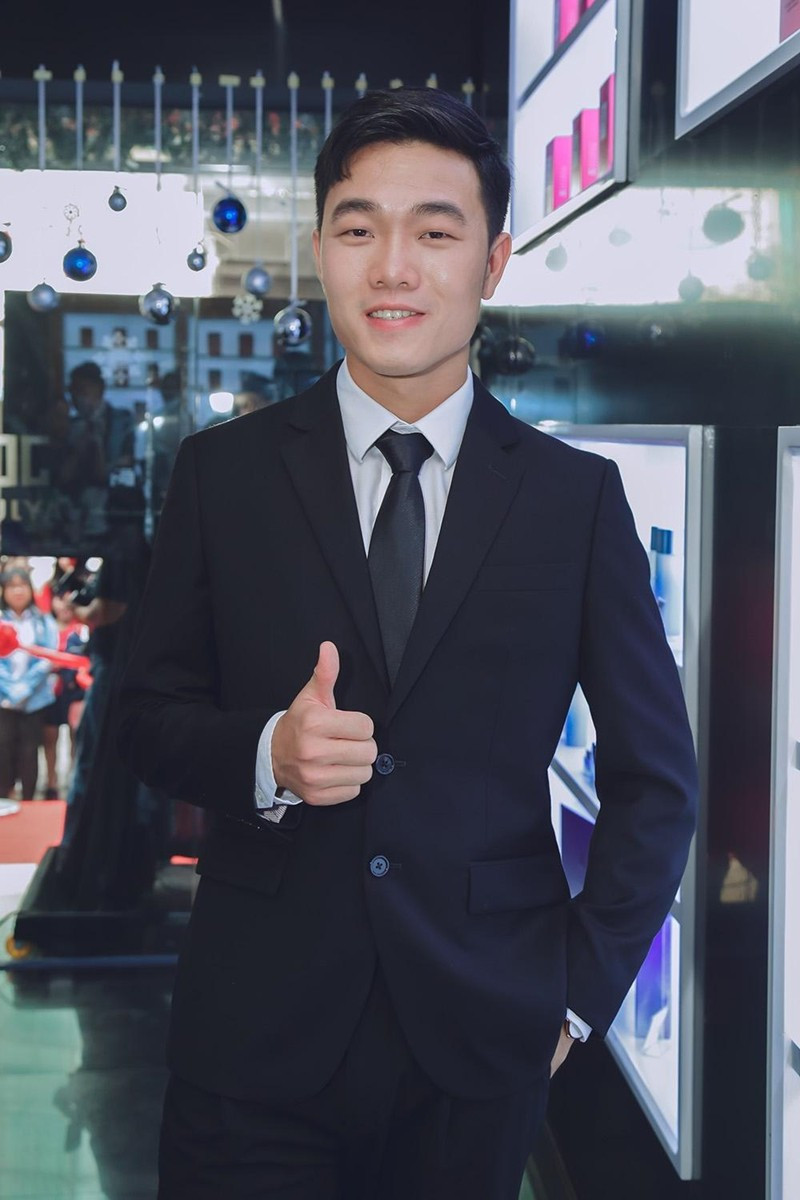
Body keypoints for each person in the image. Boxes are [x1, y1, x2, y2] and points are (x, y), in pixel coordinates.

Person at [118, 89, 697, 1200]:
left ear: (492, 261)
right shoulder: (222, 475)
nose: (392, 268)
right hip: (253, 1042)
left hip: (481, 1045)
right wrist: (266, 755)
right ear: (320, 252)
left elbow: (655, 781)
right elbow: (144, 718)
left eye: (435, 232)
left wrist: (577, 998)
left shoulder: (573, 501)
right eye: (358, 228)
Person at [0, 565, 58, 801]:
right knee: (3, 751)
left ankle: (29, 801)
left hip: (34, 699)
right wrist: (11, 688)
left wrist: (26, 687)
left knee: (30, 752)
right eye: (12, 586)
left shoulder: (43, 621)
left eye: (22, 585)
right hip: (4, 699)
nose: (17, 591)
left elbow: (48, 655)